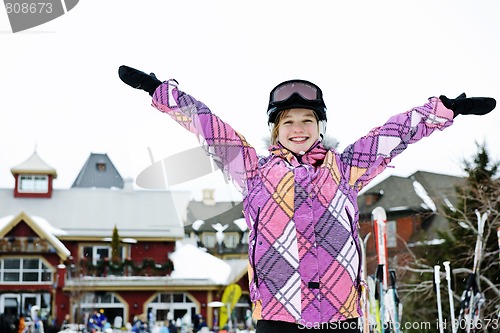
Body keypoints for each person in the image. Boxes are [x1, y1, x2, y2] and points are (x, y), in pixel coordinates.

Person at [118, 66, 496, 333]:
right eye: (289, 121)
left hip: (342, 317)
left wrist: (444, 108)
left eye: (307, 121)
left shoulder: (345, 168)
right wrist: (162, 92)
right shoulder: (252, 172)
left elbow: (394, 135)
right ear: (275, 130)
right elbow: (209, 129)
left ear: (320, 127)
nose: (298, 129)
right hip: (278, 319)